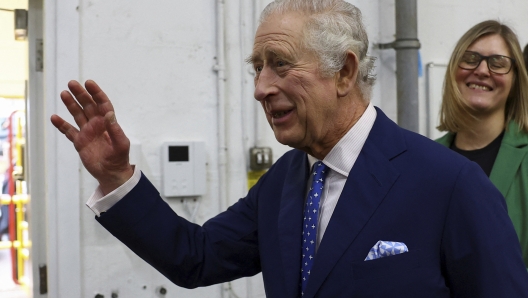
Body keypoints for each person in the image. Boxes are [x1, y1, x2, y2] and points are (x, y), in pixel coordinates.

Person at [51, 0, 528, 297]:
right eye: (256, 67)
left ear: (344, 72)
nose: (260, 87)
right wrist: (116, 178)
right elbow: (194, 257)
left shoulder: (449, 184)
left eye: (279, 64)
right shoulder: (284, 183)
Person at [436, 20, 528, 268]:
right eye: (470, 58)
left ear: (516, 80)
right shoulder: (425, 160)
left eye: (498, 63)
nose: (483, 70)